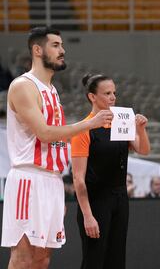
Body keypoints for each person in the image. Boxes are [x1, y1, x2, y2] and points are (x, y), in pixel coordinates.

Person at [0, 27, 112, 269]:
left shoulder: (52, 90)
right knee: (23, 258)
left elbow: (60, 139)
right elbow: (45, 133)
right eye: (56, 45)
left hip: (52, 180)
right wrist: (89, 124)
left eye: (62, 45)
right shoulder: (23, 86)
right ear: (37, 50)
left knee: (43, 258)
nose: (62, 51)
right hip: (29, 180)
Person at [71, 73, 150, 269]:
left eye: (114, 92)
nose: (113, 97)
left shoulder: (121, 121)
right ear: (92, 97)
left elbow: (144, 150)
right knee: (94, 259)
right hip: (96, 200)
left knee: (116, 259)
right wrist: (88, 215)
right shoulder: (84, 129)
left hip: (120, 197)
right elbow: (78, 179)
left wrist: (140, 128)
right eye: (107, 93)